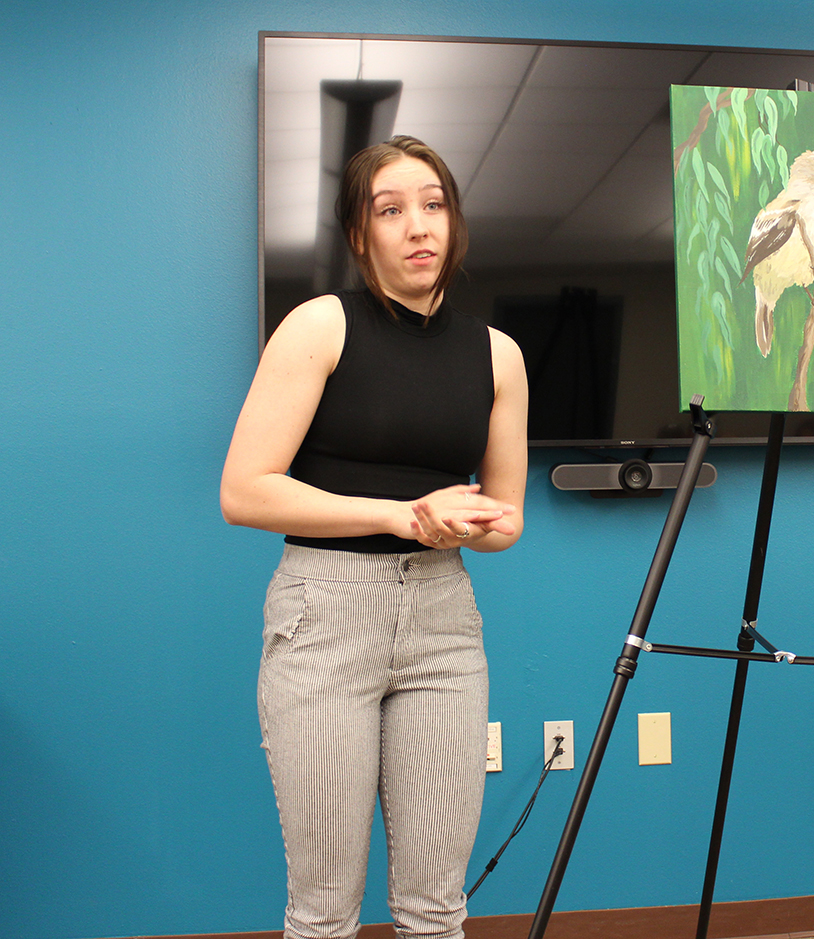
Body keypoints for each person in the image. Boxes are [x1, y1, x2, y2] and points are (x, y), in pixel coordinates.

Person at [220, 135, 528, 939]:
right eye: (390, 211)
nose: (418, 225)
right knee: (324, 911)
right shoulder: (319, 326)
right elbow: (245, 491)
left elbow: (508, 516)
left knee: (436, 906)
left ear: (454, 221)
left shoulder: (499, 356)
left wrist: (470, 523)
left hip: (444, 624)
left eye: (433, 204)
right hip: (325, 615)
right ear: (361, 236)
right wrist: (399, 515)